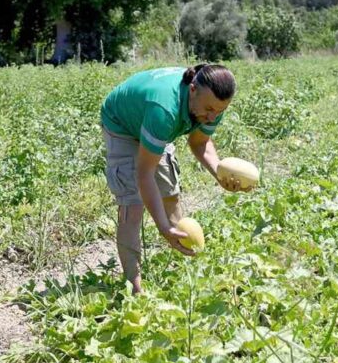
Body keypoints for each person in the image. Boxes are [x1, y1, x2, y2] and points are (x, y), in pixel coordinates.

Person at [99, 63, 247, 293]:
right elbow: (144, 173)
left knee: (170, 194)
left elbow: (199, 143)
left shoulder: (213, 104)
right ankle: (135, 290)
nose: (212, 117)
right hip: (122, 124)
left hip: (154, 122)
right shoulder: (164, 109)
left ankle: (186, 269)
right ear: (193, 89)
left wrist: (221, 174)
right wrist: (162, 228)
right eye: (209, 109)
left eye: (219, 111)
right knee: (133, 207)